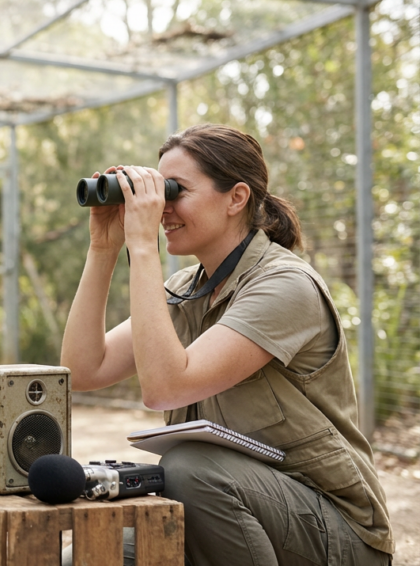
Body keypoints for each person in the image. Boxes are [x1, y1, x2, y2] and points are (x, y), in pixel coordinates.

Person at [60, 124, 394, 565]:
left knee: (187, 469)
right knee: (86, 556)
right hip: (226, 515)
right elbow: (83, 371)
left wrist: (142, 248)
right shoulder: (189, 289)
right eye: (159, 191)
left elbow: (164, 388)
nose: (161, 209)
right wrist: (103, 249)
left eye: (174, 191)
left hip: (337, 533)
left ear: (236, 198)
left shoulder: (285, 286)